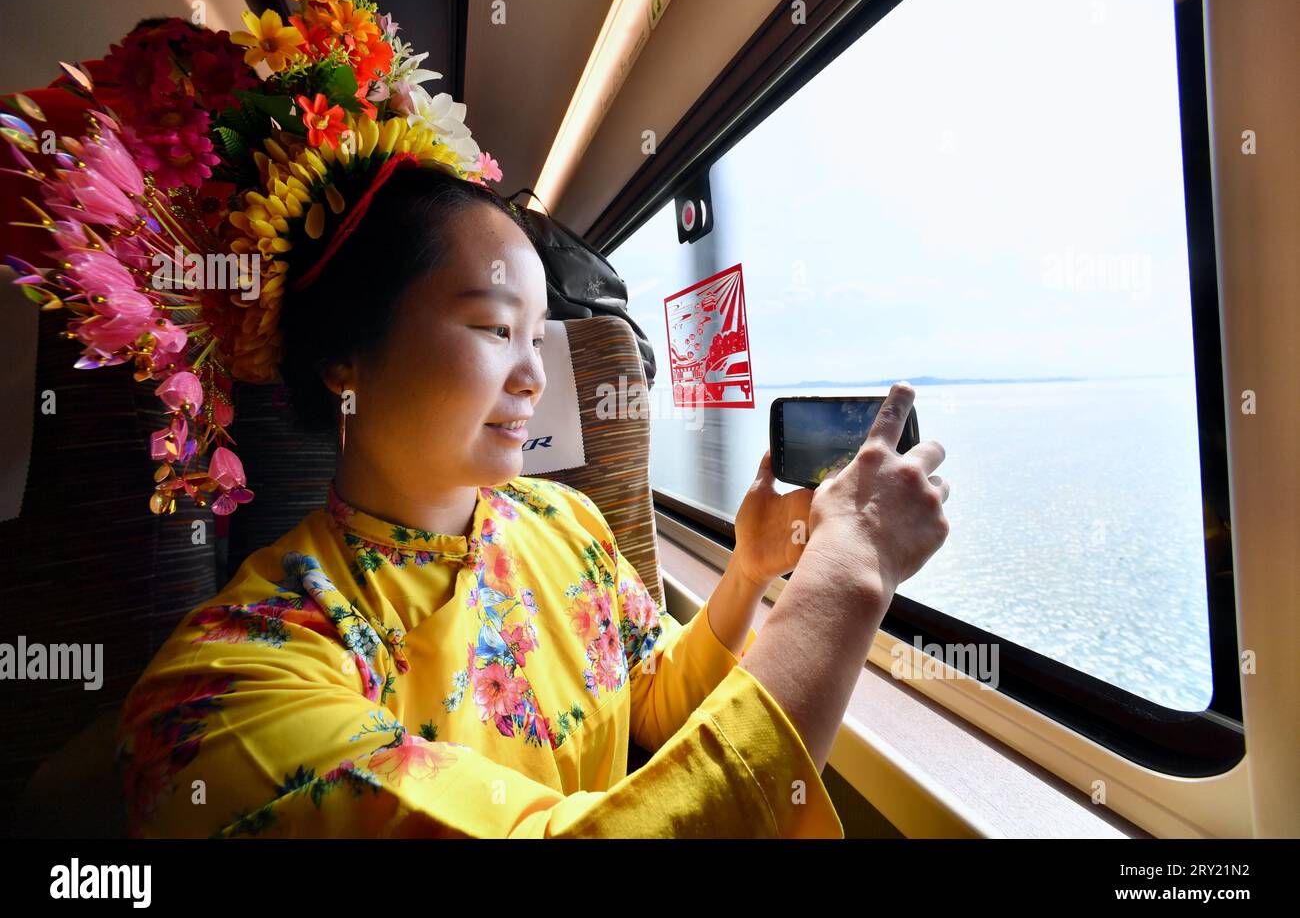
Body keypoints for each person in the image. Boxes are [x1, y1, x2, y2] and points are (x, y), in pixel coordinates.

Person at [114, 163, 950, 838]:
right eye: (490, 328)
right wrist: (848, 573)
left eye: (536, 333)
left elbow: (653, 701)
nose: (535, 374)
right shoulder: (230, 680)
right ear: (346, 359)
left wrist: (750, 569)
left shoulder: (565, 521)